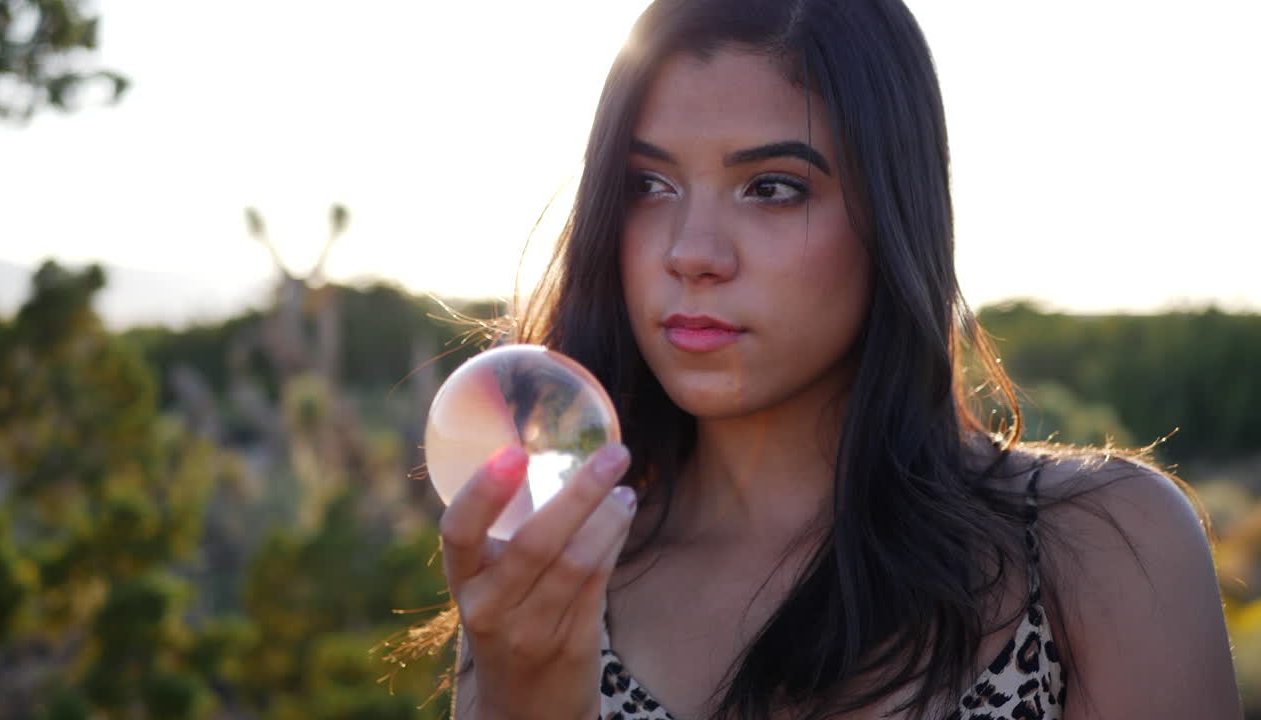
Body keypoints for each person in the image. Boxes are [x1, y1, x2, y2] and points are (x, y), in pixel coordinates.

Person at [417, 0, 1242, 718]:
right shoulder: (556, 578)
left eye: (772, 187)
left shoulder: (1094, 549)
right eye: (649, 185)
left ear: (892, 212)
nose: (691, 253)